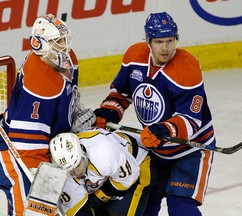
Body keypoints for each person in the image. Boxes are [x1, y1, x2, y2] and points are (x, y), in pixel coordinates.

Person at [92, 12, 215, 216]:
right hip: (154, 149)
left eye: (170, 41)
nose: (165, 48)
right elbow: (121, 93)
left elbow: (191, 120)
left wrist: (162, 129)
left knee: (181, 207)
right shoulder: (134, 57)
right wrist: (109, 112)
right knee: (145, 205)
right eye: (159, 42)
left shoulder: (187, 67)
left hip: (190, 150)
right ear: (148, 41)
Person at [0, 14, 94, 215]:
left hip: (44, 147)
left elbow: (68, 94)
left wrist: (74, 114)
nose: (64, 46)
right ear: (39, 44)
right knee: (31, 212)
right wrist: (44, 192)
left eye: (63, 39)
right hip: (18, 153)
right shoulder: (41, 85)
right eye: (56, 42)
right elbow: (28, 148)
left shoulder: (65, 59)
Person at [49, 127, 158, 215]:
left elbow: (128, 178)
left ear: (82, 152)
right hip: (106, 178)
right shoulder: (63, 175)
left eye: (77, 165)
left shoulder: (103, 153)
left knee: (114, 213)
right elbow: (77, 210)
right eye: (69, 170)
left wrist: (99, 196)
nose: (76, 173)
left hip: (138, 165)